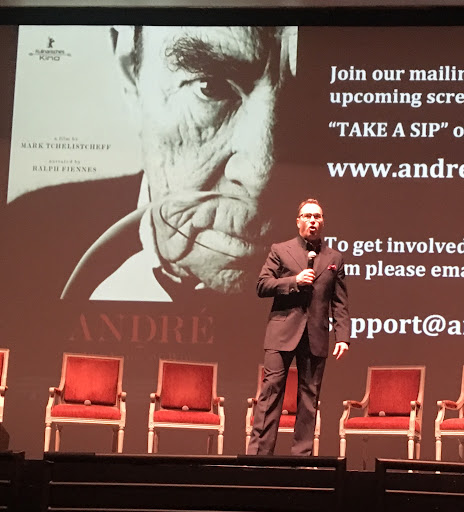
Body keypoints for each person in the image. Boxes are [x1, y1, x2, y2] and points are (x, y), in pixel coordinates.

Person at [65, 25, 298, 301]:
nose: (261, 173)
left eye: (310, 98)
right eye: (212, 87)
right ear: (131, 73)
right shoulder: (32, 240)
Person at [247, 198, 350, 456]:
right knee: (271, 392)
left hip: (315, 334)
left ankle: (301, 459)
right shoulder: (281, 250)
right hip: (282, 332)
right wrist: (294, 281)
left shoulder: (334, 258)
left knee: (309, 397)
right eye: (307, 216)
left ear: (322, 221)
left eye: (317, 216)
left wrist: (342, 336)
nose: (312, 220)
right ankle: (259, 456)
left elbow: (339, 301)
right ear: (298, 221)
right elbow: (262, 285)